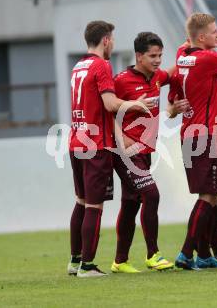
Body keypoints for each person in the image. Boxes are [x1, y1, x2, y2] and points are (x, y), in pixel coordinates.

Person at [67, 21, 147, 277]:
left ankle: (75, 260)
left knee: (81, 202)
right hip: (96, 146)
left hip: (76, 142)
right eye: (112, 39)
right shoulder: (101, 65)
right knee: (94, 206)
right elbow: (110, 103)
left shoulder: (78, 66)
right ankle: (87, 266)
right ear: (105, 40)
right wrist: (136, 104)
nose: (113, 43)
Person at [169, 13, 217, 270]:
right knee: (209, 196)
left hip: (216, 136)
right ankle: (189, 253)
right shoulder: (208, 58)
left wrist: (173, 107)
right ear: (202, 37)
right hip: (205, 135)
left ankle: (202, 250)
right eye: (214, 31)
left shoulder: (185, 55)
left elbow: (174, 91)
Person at [111, 32, 178, 274]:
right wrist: (123, 137)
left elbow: (172, 73)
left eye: (160, 55)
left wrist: (188, 49)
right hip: (126, 152)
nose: (158, 60)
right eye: (153, 56)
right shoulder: (120, 81)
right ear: (139, 56)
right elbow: (105, 110)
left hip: (145, 150)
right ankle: (153, 255)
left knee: (130, 204)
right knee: (151, 194)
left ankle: (119, 261)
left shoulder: (157, 77)